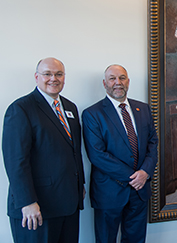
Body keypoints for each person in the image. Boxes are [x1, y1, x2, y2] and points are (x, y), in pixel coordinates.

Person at [2, 57, 85, 243]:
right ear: (36, 77)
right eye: (47, 74)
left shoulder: (70, 107)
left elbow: (74, 151)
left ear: (64, 78)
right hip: (36, 208)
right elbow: (15, 161)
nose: (53, 78)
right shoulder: (21, 109)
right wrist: (27, 202)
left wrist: (80, 185)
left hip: (68, 204)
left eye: (58, 74)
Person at [82, 64, 158, 243]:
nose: (118, 82)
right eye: (112, 78)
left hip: (139, 192)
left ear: (128, 82)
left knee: (136, 239)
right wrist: (135, 177)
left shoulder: (143, 109)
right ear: (104, 83)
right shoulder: (92, 114)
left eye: (122, 78)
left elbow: (153, 144)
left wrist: (145, 172)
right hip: (109, 192)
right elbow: (97, 155)